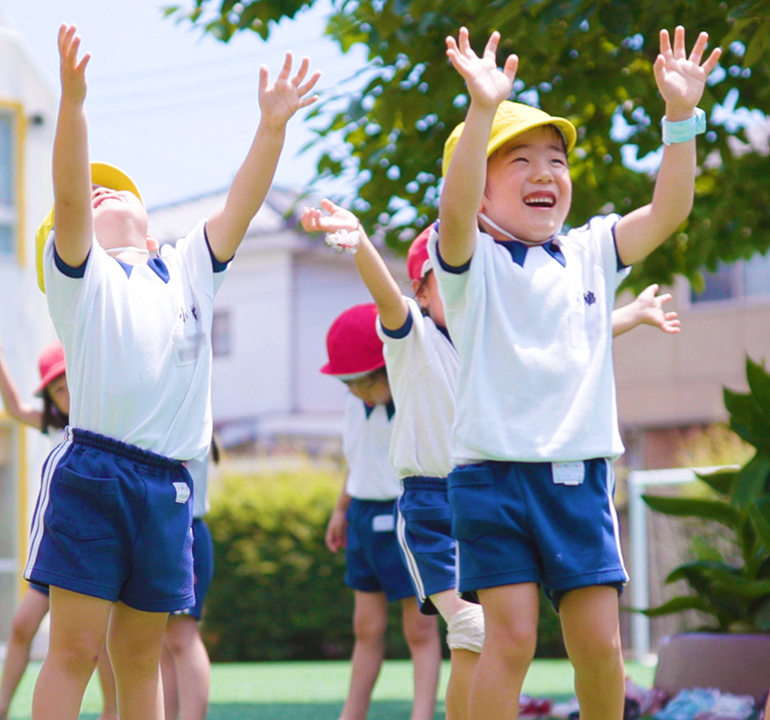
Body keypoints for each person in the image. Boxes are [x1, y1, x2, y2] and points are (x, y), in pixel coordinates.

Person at [24, 23, 318, 720]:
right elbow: (68, 194)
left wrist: (270, 127)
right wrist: (73, 106)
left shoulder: (187, 267)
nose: (99, 195)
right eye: (90, 197)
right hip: (95, 472)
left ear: (152, 228)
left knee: (139, 654)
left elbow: (241, 205)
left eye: (116, 192)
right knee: (72, 650)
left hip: (168, 486)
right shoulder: (83, 282)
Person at [432, 25, 721, 720]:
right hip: (491, 480)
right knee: (511, 639)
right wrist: (481, 110)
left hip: (578, 477)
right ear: (481, 191)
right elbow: (453, 202)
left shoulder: (592, 250)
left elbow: (670, 210)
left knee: (599, 647)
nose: (544, 174)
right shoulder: (469, 265)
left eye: (555, 160)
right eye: (520, 160)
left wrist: (681, 117)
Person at [302, 201, 681, 720]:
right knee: (474, 630)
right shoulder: (412, 336)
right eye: (450, 275)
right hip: (431, 509)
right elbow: (386, 297)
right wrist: (360, 241)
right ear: (423, 289)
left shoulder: (489, 342)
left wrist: (629, 316)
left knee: (476, 643)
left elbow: (561, 338)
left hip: (476, 494)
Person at [321, 303, 442, 720]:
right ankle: (351, 714)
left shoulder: (413, 400)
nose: (356, 391)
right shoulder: (356, 405)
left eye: (363, 382)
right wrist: (341, 509)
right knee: (365, 628)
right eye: (348, 384)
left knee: (420, 627)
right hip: (363, 519)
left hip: (405, 514)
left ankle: (422, 714)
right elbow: (359, 461)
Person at [0, 340, 118, 720]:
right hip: (57, 549)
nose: (67, 394)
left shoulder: (107, 427)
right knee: (22, 624)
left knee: (100, 643)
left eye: (70, 383)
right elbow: (16, 409)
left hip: (98, 552)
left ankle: (112, 712)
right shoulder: (54, 427)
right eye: (58, 388)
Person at [160, 439, 219, 720]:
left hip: (183, 530)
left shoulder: (186, 413)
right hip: (158, 530)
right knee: (158, 640)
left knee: (182, 638)